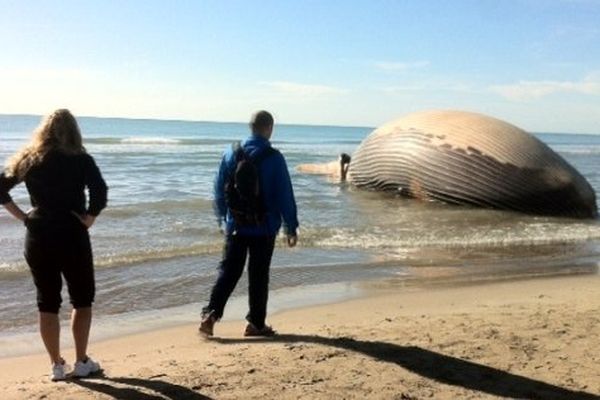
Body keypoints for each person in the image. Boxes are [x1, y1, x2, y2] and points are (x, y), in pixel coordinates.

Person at [0, 109, 107, 381]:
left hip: (39, 234)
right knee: (82, 299)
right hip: (72, 233)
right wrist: (90, 217)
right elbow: (100, 190)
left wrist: (24, 216)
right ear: (74, 131)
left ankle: (56, 365)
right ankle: (81, 360)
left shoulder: (30, 159)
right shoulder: (81, 159)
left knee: (46, 302)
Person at [200, 110, 298, 337]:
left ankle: (210, 315)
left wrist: (224, 217)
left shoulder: (231, 153)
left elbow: (218, 189)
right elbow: (285, 194)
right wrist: (291, 226)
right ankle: (256, 324)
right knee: (259, 273)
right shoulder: (274, 157)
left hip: (236, 225)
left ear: (250, 127)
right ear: (269, 128)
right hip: (264, 228)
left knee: (229, 271)